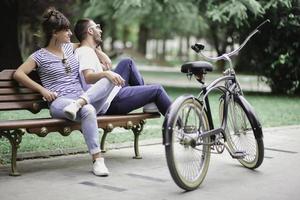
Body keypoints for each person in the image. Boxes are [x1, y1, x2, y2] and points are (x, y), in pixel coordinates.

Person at [13, 8, 115, 176]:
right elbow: (19, 73)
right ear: (54, 32)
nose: (70, 33)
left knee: (110, 76)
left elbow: (86, 44)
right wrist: (42, 90)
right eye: (66, 30)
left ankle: (79, 103)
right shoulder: (39, 56)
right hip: (60, 102)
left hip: (81, 98)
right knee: (88, 109)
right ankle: (98, 160)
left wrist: (100, 53)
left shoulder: (69, 48)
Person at [73, 18, 172, 116]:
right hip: (108, 101)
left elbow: (107, 65)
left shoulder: (87, 50)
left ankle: (148, 100)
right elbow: (88, 77)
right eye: (97, 27)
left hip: (109, 94)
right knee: (157, 89)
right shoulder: (85, 52)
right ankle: (180, 127)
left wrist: (97, 50)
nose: (101, 30)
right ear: (90, 31)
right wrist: (106, 73)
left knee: (127, 62)